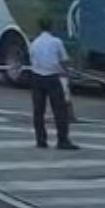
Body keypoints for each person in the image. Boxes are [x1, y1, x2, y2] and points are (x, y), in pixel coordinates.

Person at [27, 18, 78, 151]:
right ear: (52, 27)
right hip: (52, 78)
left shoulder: (34, 43)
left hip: (37, 77)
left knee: (38, 111)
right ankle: (62, 140)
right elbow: (64, 61)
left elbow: (32, 60)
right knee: (59, 110)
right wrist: (67, 74)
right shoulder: (56, 42)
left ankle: (41, 140)